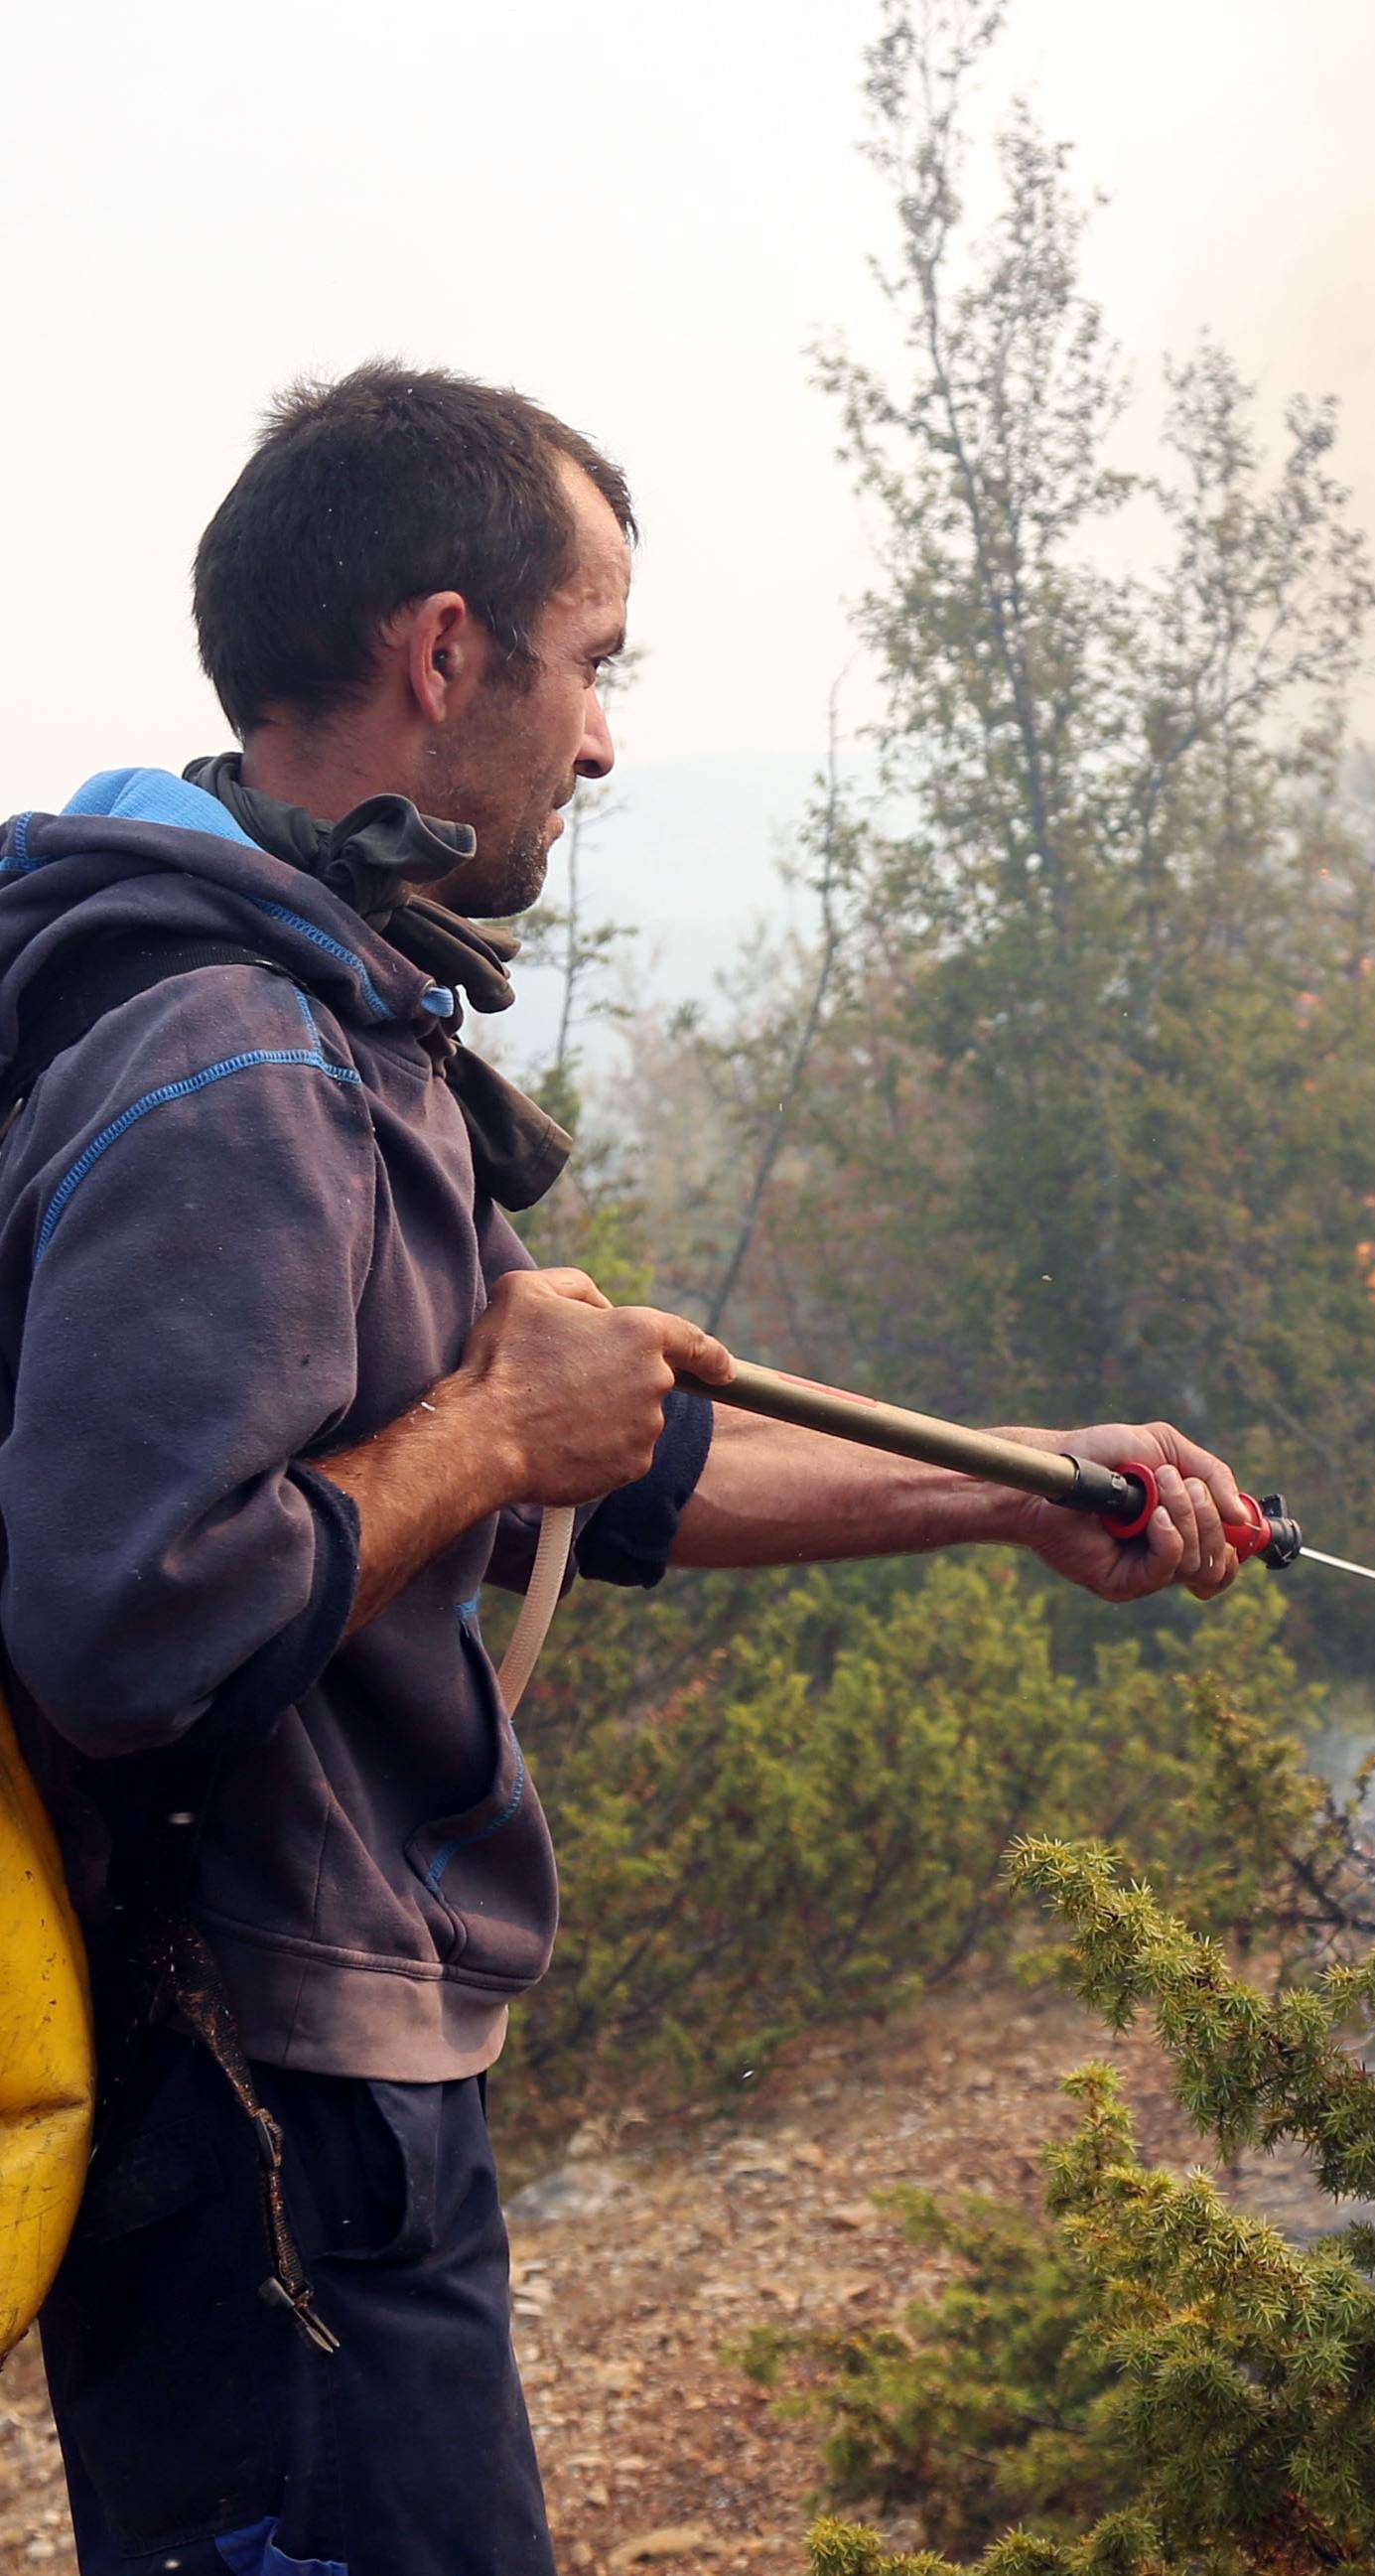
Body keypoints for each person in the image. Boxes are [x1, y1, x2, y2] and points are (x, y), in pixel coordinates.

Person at [0, 363, 1254, 2576]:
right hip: (267, 2119)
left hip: (308, 2103)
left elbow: (608, 1467)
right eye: (590, 665)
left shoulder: (316, 1005)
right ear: (446, 651)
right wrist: (492, 1425)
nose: (597, 740)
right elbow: (126, 1619)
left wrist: (1021, 1482)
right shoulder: (234, 1060)